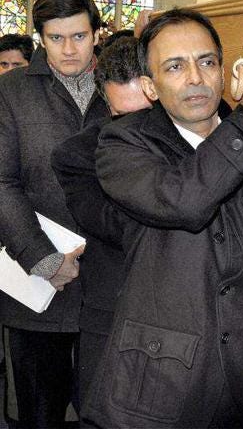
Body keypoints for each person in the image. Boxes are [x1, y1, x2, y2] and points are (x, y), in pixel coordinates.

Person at [83, 8, 243, 428]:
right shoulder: (122, 143)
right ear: (150, 86)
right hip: (162, 382)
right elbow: (187, 201)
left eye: (206, 62)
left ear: (223, 72)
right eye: (175, 66)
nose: (195, 78)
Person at [0, 0, 108, 427]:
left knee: (106, 410)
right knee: (40, 414)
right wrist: (43, 258)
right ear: (40, 38)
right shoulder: (11, 91)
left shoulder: (121, 84)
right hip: (39, 284)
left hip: (109, 281)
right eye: (56, 38)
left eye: (79, 37)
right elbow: (1, 182)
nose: (68, 49)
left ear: (96, 34)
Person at [51, 36, 152, 408]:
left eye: (148, 113)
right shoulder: (77, 155)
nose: (139, 129)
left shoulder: (200, 138)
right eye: (124, 117)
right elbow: (118, 227)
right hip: (115, 320)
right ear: (105, 103)